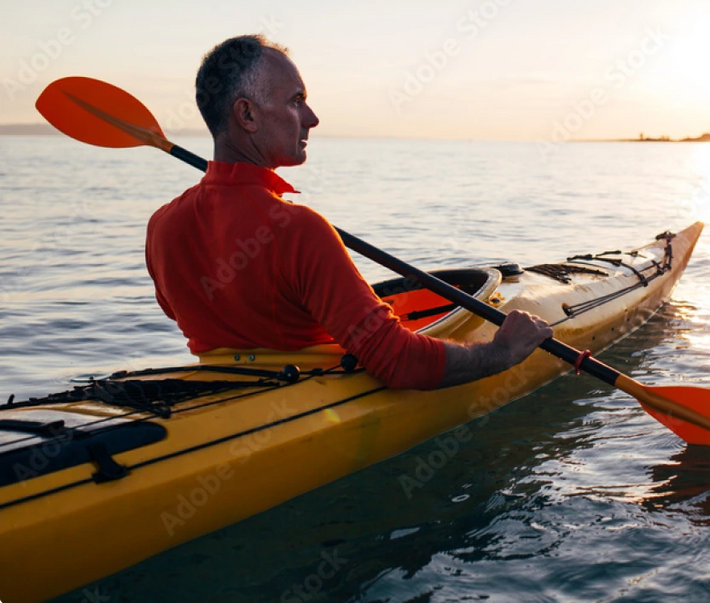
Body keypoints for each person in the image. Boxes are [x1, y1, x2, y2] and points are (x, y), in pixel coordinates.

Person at [146, 34, 552, 389]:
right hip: (306, 398)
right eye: (296, 101)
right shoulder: (299, 229)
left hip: (216, 397)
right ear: (247, 114)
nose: (312, 118)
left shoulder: (162, 226)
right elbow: (399, 363)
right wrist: (502, 352)